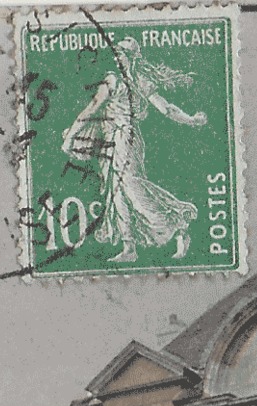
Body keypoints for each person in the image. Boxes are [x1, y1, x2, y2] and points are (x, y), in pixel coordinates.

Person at [61, 37, 206, 263]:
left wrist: (191, 120)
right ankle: (129, 248)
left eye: (123, 54)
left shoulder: (140, 80)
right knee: (117, 193)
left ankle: (177, 223)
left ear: (131, 57)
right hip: (109, 139)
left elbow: (166, 108)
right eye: (117, 53)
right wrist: (71, 136)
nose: (118, 57)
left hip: (127, 138)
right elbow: (92, 109)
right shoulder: (111, 80)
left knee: (131, 186)